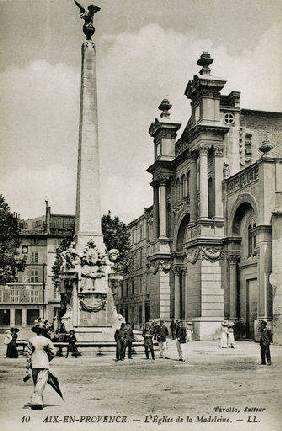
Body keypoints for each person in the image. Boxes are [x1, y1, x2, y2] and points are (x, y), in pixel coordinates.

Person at [26, 322, 56, 409]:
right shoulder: (47, 340)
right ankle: (37, 402)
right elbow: (53, 352)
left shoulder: (31, 340)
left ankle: (38, 400)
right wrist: (47, 358)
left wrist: (28, 366)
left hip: (34, 364)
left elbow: (28, 354)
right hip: (43, 363)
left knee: (37, 383)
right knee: (41, 382)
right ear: (44, 331)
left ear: (36, 331)